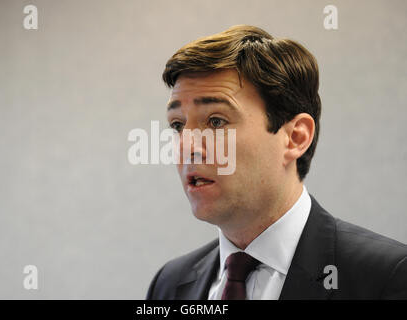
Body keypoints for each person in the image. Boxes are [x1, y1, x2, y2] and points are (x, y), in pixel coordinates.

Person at [146, 25, 407, 300]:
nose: (187, 146)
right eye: (177, 125)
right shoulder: (170, 285)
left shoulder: (387, 278)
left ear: (295, 137)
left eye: (216, 121)